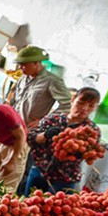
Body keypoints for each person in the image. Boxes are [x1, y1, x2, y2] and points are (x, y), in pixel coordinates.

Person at [8, 45, 72, 192]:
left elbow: (67, 104)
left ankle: (18, 198)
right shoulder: (23, 78)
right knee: (11, 164)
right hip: (15, 127)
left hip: (31, 132)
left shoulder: (52, 81)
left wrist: (45, 120)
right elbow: (14, 100)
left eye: (24, 65)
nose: (21, 67)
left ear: (37, 63)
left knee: (23, 168)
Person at [25, 87, 101, 195]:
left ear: (95, 108)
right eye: (81, 103)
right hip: (39, 172)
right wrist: (45, 135)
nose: (84, 108)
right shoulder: (53, 119)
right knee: (29, 206)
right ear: (73, 99)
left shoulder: (92, 130)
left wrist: (80, 151)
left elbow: (89, 155)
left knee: (57, 210)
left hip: (64, 180)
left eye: (91, 106)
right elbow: (30, 139)